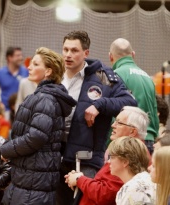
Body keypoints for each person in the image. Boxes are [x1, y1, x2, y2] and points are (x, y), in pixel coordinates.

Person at [57, 30, 137, 204]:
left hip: (85, 158)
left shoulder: (102, 78)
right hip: (54, 154)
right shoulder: (56, 75)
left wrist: (100, 105)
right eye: (65, 49)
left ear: (86, 53)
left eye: (74, 50)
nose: (68, 55)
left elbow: (130, 102)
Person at [0, 47, 76, 205]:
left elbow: (36, 137)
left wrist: (5, 149)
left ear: (48, 72)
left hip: (34, 181)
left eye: (35, 64)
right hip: (29, 177)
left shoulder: (45, 100)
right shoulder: (41, 96)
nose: (29, 67)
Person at [65, 106, 149, 205]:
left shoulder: (131, 153)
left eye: (119, 123)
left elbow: (105, 194)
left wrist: (80, 180)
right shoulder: (128, 151)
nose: (113, 125)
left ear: (133, 131)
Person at [109, 38, 159, 155]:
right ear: (133, 54)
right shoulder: (148, 77)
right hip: (149, 140)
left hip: (128, 142)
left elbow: (113, 110)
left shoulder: (115, 75)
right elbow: (155, 112)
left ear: (111, 56)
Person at [109, 137, 156, 205]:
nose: (109, 161)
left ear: (125, 162)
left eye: (112, 157)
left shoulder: (132, 188)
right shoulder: (147, 180)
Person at [0, 46, 28, 117]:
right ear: (9, 58)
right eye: (18, 55)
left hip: (22, 111)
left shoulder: (26, 72)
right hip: (5, 111)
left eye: (21, 55)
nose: (21, 58)